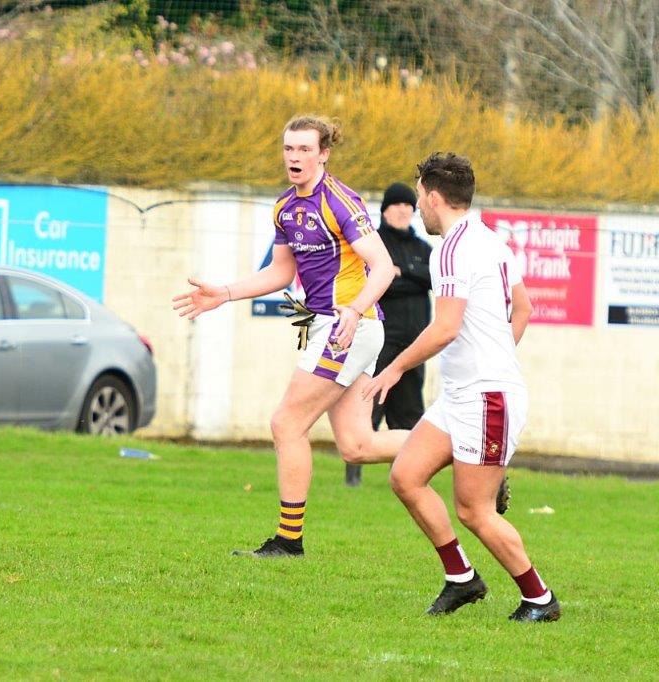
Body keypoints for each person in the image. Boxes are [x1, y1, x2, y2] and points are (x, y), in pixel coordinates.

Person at [172, 115, 409, 557]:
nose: (294, 158)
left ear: (323, 154)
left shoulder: (340, 201)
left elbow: (382, 266)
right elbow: (282, 272)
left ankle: (288, 541)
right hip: (332, 326)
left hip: (348, 328)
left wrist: (354, 311)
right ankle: (462, 445)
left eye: (304, 149)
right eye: (288, 149)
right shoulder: (284, 207)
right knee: (357, 446)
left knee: (286, 423)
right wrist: (223, 293)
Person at [363, 152, 560, 622]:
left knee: (474, 510)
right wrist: (498, 359)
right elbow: (524, 310)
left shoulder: (450, 250)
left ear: (433, 198)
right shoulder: (491, 241)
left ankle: (539, 599)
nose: (417, 208)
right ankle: (462, 579)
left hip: (486, 397)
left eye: (418, 198)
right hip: (464, 395)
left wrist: (394, 368)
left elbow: (446, 327)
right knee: (406, 477)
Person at [345, 182, 431, 487]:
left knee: (410, 411)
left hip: (415, 342)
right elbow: (381, 283)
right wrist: (405, 277)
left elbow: (431, 277)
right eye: (398, 205)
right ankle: (353, 471)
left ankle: (414, 472)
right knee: (371, 402)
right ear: (385, 210)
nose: (404, 210)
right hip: (382, 340)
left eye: (409, 206)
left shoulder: (422, 247)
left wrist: (403, 272)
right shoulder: (376, 243)